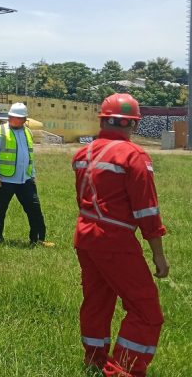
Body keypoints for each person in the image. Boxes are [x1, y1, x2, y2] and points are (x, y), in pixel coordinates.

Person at [72, 93, 169, 376]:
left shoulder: (83, 154)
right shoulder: (134, 156)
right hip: (114, 241)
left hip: (85, 237)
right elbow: (147, 211)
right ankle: (122, 370)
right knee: (147, 311)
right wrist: (158, 255)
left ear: (103, 119)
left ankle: (94, 359)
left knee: (97, 301)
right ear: (134, 124)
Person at [0, 102, 52, 246]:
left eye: (19, 118)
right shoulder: (0, 130)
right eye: (12, 117)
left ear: (24, 119)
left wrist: (33, 174)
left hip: (25, 179)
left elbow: (30, 155)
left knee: (34, 209)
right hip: (5, 179)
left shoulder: (27, 132)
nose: (14, 120)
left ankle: (38, 239)